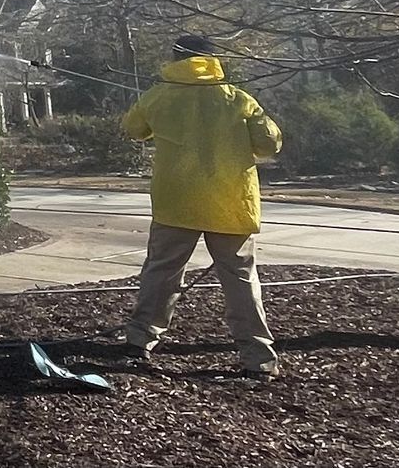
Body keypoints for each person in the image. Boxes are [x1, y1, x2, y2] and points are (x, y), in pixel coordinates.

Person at [120, 34, 284, 378]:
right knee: (241, 280)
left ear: (175, 58)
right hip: (230, 204)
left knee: (161, 273)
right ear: (213, 60)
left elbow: (133, 129)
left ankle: (139, 341)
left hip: (175, 203)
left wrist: (152, 106)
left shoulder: (160, 96)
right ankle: (259, 358)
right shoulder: (238, 100)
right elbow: (269, 144)